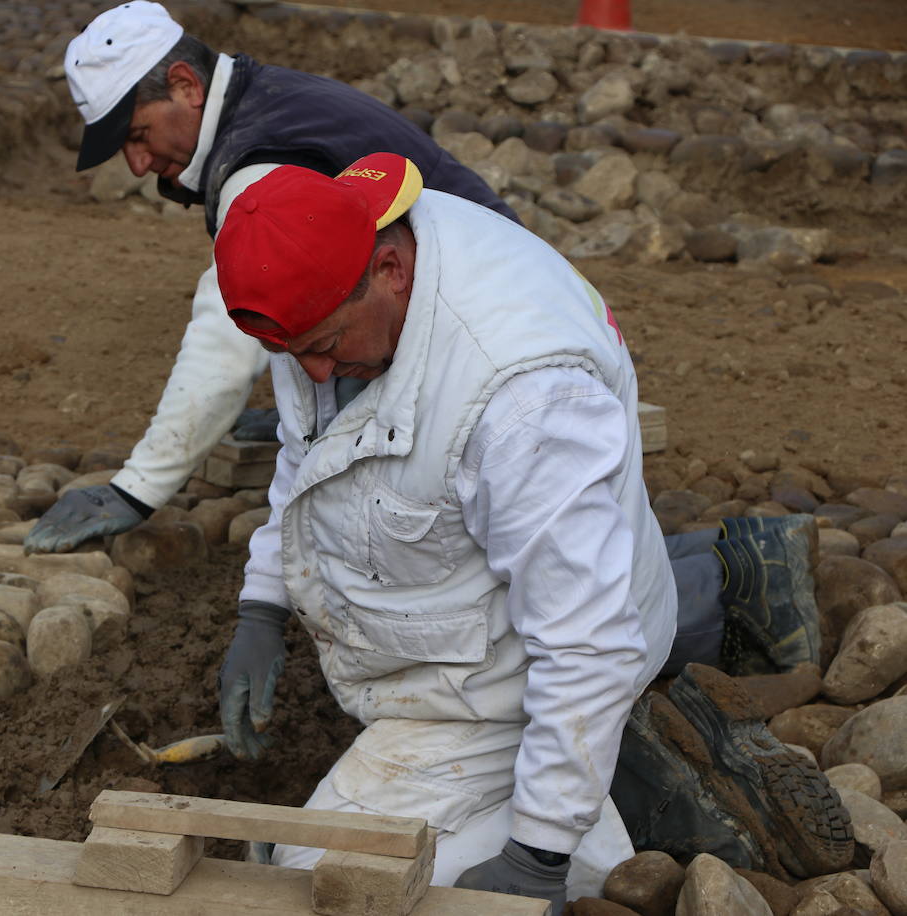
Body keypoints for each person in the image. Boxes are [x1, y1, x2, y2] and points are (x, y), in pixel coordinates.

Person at [209, 152, 851, 913]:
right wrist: (263, 606)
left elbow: (584, 639)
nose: (314, 374)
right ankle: (607, 767)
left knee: (328, 878)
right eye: (294, 354)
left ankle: (621, 810)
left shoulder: (519, 397)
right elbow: (306, 451)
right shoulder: (335, 265)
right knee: (321, 869)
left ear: (390, 269)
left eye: (324, 346)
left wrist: (536, 857)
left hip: (509, 672)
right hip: (458, 623)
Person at [25, 0, 515, 555]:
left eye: (138, 135)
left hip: (492, 331)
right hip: (490, 278)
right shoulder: (265, 98)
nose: (137, 164)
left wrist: (137, 489)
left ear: (186, 85)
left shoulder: (256, 163)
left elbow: (228, 335)